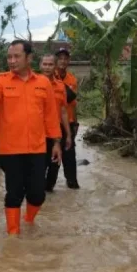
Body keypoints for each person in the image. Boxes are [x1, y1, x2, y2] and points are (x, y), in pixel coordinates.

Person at [0, 40, 62, 235]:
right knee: (14, 193)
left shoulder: (43, 83)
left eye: (16, 56)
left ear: (29, 58)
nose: (12, 61)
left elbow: (51, 115)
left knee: (37, 194)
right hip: (10, 149)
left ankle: (28, 220)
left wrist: (56, 142)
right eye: (9, 57)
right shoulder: (1, 80)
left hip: (37, 148)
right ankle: (13, 235)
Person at [39, 54, 73, 192]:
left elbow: (64, 111)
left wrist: (69, 135)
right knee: (39, 165)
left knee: (54, 164)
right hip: (38, 131)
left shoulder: (60, 86)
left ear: (55, 66)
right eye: (45, 64)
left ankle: (49, 191)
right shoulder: (33, 83)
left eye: (50, 64)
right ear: (40, 65)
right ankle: (37, 194)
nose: (47, 67)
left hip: (56, 131)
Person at [56, 48, 80, 189]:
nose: (63, 61)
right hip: (53, 123)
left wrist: (76, 123)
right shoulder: (49, 77)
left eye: (66, 58)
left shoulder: (72, 79)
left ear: (69, 61)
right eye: (60, 58)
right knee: (51, 157)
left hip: (69, 123)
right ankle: (48, 185)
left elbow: (73, 103)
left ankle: (72, 182)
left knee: (70, 155)